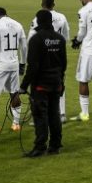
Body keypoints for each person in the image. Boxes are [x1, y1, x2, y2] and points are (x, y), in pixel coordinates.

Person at [20, 9, 67, 157]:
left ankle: (40, 147)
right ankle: (55, 145)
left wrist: (23, 86)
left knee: (40, 115)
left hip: (41, 84)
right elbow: (64, 63)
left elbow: (33, 66)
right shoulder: (60, 38)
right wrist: (61, 80)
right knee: (54, 114)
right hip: (56, 82)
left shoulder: (36, 39)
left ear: (39, 21)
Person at [29, 0, 70, 122]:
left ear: (42, 4)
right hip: (57, 54)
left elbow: (31, 39)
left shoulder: (37, 18)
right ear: (54, 4)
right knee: (59, 82)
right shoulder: (62, 17)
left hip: (42, 56)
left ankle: (41, 115)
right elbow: (66, 37)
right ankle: (61, 114)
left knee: (40, 85)